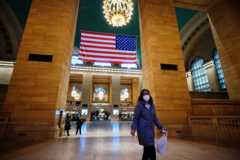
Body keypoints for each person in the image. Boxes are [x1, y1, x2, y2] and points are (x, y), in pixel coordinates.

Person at [131, 89, 167, 160]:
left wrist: (161, 127)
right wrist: (133, 128)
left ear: (150, 95)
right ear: (141, 96)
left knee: (147, 150)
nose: (146, 95)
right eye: (144, 94)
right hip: (143, 131)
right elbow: (135, 118)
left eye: (147, 93)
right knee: (151, 149)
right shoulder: (139, 105)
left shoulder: (152, 105)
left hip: (150, 130)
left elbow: (155, 118)